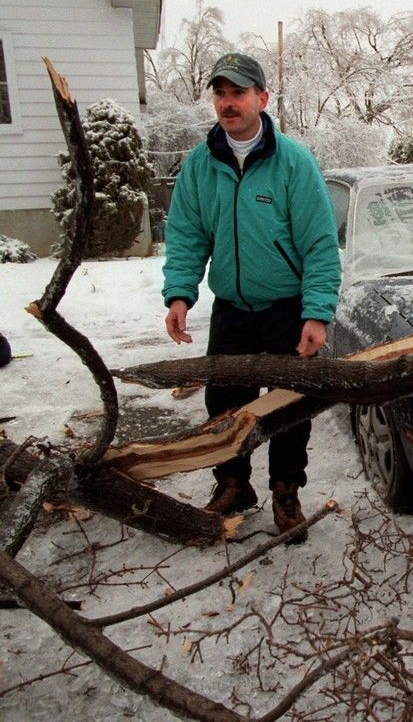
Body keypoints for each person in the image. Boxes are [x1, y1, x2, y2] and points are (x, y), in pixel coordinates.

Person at [162, 52, 341, 541]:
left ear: (262, 98)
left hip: (287, 310)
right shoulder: (200, 165)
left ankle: (286, 491)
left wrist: (317, 312)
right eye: (220, 93)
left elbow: (320, 244)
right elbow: (186, 235)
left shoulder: (294, 162)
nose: (228, 103)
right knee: (225, 405)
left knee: (288, 409)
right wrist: (179, 295)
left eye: (238, 93)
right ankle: (234, 484)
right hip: (232, 311)